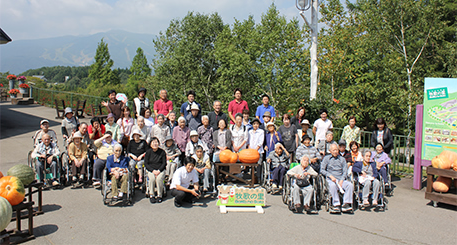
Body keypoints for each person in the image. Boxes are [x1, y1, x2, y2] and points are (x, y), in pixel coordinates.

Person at [320, 143, 354, 213]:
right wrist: (330, 175)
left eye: (336, 150)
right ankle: (336, 204)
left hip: (340, 179)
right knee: (332, 186)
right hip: (331, 179)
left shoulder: (342, 159)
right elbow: (322, 170)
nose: (335, 151)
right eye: (333, 150)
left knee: (350, 185)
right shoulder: (326, 158)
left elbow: (345, 171)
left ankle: (346, 204)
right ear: (330, 151)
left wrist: (341, 180)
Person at [144, 137, 167, 203]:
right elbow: (146, 163)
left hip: (160, 170)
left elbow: (164, 163)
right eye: (153, 142)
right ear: (150, 144)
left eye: (156, 142)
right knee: (152, 179)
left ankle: (160, 195)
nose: (155, 144)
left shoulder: (162, 152)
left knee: (159, 179)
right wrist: (153, 171)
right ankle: (152, 195)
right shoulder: (148, 152)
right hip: (151, 170)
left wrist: (159, 171)